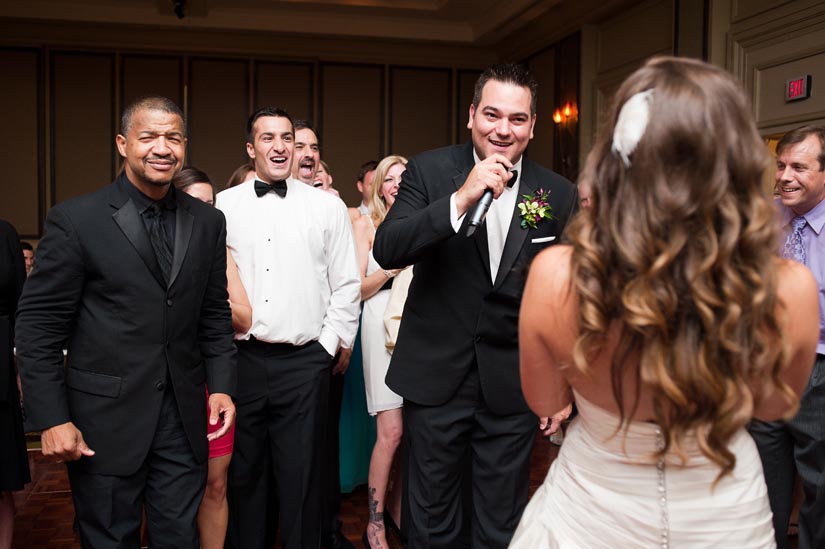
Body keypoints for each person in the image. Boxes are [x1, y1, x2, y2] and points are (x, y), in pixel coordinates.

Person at [509, 56, 819, 548]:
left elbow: (546, 402)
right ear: (737, 161)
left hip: (592, 513)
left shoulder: (557, 276)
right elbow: (772, 404)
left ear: (614, 161)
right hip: (724, 515)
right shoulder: (789, 287)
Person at [15, 96, 237, 548]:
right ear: (122, 143)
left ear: (184, 145)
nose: (162, 147)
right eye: (148, 136)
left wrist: (224, 385)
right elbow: (38, 326)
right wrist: (51, 418)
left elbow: (214, 313)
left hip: (182, 419)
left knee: (178, 538)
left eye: (173, 137)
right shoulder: (76, 220)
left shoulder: (208, 222)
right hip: (103, 421)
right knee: (108, 539)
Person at [373, 63, 578, 547]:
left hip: (513, 384)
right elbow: (389, 247)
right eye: (491, 114)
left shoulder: (556, 193)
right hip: (436, 378)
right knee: (432, 518)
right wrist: (461, 198)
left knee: (500, 520)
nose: (503, 130)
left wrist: (560, 381)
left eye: (517, 119)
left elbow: (563, 297)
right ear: (471, 115)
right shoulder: (430, 170)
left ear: (532, 125)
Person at [216, 106, 360, 549]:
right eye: (268, 138)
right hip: (243, 360)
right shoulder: (223, 208)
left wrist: (327, 348)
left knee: (302, 480)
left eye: (287, 138)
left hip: (303, 363)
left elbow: (347, 285)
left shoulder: (326, 207)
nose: (279, 147)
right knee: (246, 479)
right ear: (250, 148)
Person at [749, 124, 825, 549]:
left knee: (820, 488)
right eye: (781, 165)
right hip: (766, 366)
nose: (784, 176)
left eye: (799, 166)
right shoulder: (765, 216)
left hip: (820, 369)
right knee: (763, 482)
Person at [172, 166, 251, 549]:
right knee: (167, 488)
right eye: (195, 202)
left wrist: (207, 298)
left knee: (215, 483)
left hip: (211, 381)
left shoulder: (221, 252)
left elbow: (245, 315)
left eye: (210, 203)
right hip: (167, 380)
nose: (205, 211)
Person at [352, 154, 407, 548]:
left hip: (417, 328)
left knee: (415, 432)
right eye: (390, 178)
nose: (397, 183)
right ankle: (374, 524)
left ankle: (403, 515)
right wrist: (392, 267)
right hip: (378, 325)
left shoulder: (420, 223)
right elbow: (358, 287)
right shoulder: (364, 223)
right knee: (391, 431)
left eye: (405, 177)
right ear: (378, 186)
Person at [0, 220, 31, 549]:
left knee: (1, 479)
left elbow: (24, 310)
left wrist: (23, 374)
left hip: (1, 374)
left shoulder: (5, 233)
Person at [291, 120, 321, 185]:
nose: (310, 154)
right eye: (299, 147)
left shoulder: (325, 195)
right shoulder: (269, 194)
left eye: (314, 148)